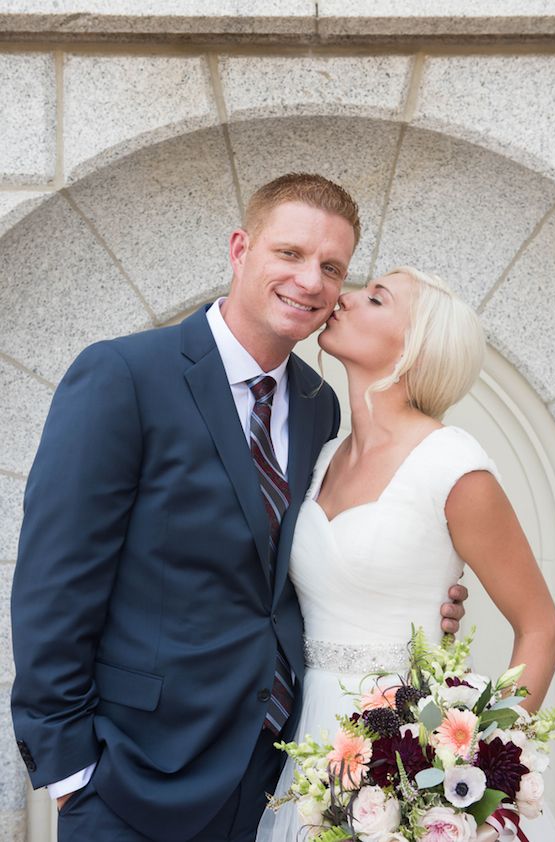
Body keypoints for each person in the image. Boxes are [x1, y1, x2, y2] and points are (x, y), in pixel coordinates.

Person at [10, 176, 466, 842]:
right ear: (240, 249)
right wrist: (71, 771)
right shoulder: (124, 376)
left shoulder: (320, 405)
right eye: (290, 254)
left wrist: (421, 596)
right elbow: (55, 581)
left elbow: (299, 563)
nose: (311, 280)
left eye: (331, 267)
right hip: (132, 774)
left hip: (275, 773)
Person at [256, 266, 555, 842]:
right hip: (314, 744)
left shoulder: (453, 464)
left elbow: (541, 625)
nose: (343, 297)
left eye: (375, 298)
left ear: (415, 349)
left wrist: (477, 760)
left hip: (410, 750)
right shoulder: (321, 456)